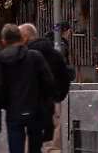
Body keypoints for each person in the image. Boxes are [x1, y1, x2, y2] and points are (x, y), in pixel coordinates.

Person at [0, 23, 55, 153]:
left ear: (3, 41)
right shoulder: (35, 56)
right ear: (22, 39)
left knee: (16, 147)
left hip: (13, 110)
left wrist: (6, 103)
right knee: (35, 148)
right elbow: (48, 82)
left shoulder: (0, 59)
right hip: (35, 109)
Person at [21, 23, 73, 152]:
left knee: (30, 139)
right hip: (51, 101)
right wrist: (58, 97)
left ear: (25, 37)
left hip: (29, 101)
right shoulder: (54, 54)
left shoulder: (24, 54)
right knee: (53, 141)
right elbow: (65, 76)